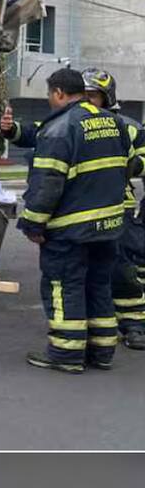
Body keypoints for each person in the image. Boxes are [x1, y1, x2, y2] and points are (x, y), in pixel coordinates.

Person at [16, 68, 133, 373]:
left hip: (71, 230)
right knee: (98, 287)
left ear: (58, 93)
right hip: (109, 226)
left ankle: (66, 354)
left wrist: (32, 224)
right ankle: (102, 352)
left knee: (64, 287)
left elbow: (47, 185)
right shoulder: (114, 123)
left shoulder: (59, 129)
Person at [80, 68, 145, 350]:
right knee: (83, 268)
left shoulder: (128, 127)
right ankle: (92, 322)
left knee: (124, 268)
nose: (88, 101)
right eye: (83, 96)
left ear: (107, 98)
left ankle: (134, 323)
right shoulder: (71, 125)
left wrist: (131, 164)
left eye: (93, 96)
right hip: (80, 210)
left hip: (118, 206)